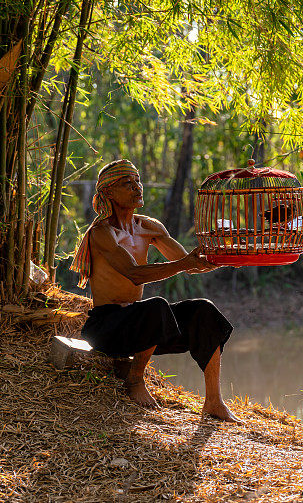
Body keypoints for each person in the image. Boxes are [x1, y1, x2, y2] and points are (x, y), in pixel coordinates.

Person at [70, 159, 240, 422]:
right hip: (106, 327)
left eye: (137, 180)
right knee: (156, 306)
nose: (137, 187)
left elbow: (188, 264)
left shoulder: (149, 226)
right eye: (127, 183)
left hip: (142, 326)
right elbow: (135, 275)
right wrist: (185, 263)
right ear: (108, 194)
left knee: (203, 310)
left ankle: (214, 401)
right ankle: (135, 379)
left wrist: (221, 256)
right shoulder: (102, 232)